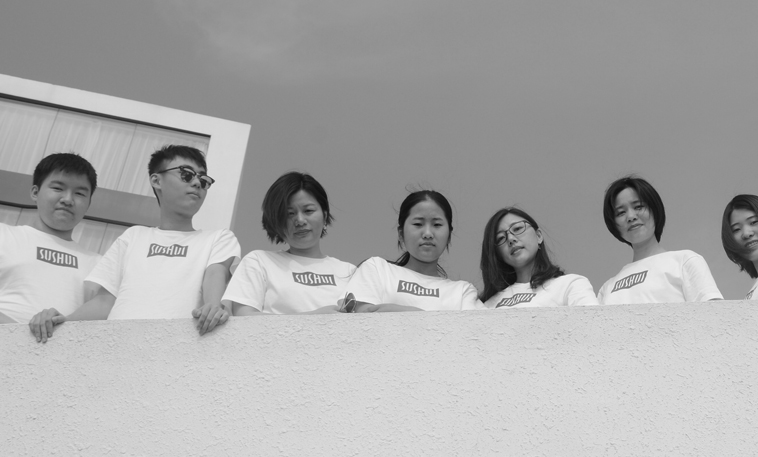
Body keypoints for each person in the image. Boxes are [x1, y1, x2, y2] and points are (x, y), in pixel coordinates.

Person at [29, 145, 240, 342]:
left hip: (177, 349)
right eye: (186, 174)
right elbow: (105, 301)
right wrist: (63, 322)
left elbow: (216, 274)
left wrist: (213, 305)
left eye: (203, 180)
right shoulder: (133, 237)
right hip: (116, 348)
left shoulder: (218, 238)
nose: (196, 183)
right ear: (156, 180)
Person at [222, 172, 356, 315]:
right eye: (289, 214)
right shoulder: (258, 262)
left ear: (325, 215)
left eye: (308, 211)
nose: (300, 221)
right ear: (276, 221)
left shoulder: (350, 272)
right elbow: (244, 317)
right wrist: (314, 318)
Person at [1, 153, 100, 324]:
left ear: (89, 204)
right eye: (58, 188)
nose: (68, 200)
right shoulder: (4, 236)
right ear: (35, 192)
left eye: (79, 193)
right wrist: (17, 333)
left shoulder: (99, 264)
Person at [343, 190, 481, 312]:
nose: (428, 234)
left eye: (437, 224)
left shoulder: (462, 292)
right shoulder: (377, 270)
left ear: (449, 234)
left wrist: (391, 310)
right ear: (401, 233)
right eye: (418, 224)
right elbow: (359, 316)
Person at [596, 176, 723, 304]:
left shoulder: (685, 262)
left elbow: (714, 313)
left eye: (638, 207)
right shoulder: (606, 289)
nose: (631, 216)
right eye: (621, 213)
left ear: (654, 210)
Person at [478, 207, 597, 308]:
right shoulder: (488, 306)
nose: (511, 239)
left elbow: (592, 324)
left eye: (517, 229)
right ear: (498, 254)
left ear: (539, 236)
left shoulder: (570, 285)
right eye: (500, 238)